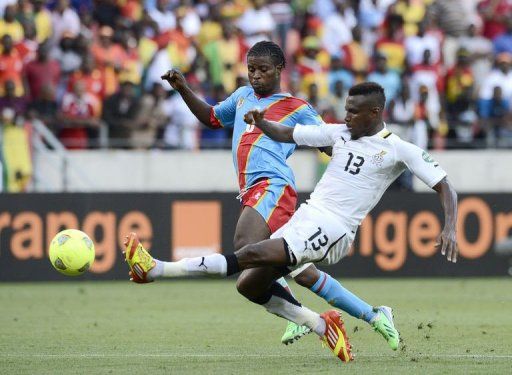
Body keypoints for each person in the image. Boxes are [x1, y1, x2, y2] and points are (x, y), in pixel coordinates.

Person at [123, 82, 459, 361]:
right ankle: (325, 324)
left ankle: (156, 270)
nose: (347, 116)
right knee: (249, 284)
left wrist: (449, 227)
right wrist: (261, 122)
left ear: (375, 113)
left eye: (354, 111)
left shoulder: (399, 149)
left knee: (250, 254)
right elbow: (289, 134)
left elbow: (444, 185)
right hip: (309, 216)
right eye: (346, 109)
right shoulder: (338, 132)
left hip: (334, 227)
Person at [154, 42, 398, 347]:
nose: (256, 76)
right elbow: (212, 117)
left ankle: (299, 315)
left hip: (274, 186)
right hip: (251, 190)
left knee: (245, 245)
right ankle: (374, 315)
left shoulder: (298, 107)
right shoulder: (243, 96)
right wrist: (183, 88)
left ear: (280, 69)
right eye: (251, 69)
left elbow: (332, 145)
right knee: (294, 270)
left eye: (263, 69)